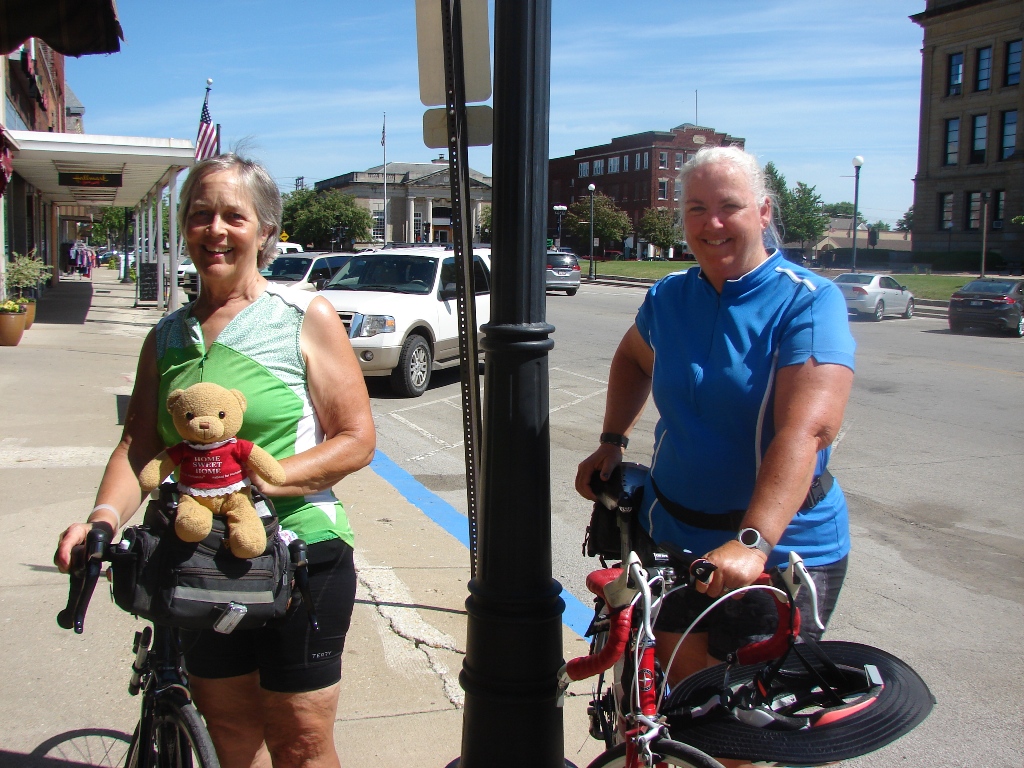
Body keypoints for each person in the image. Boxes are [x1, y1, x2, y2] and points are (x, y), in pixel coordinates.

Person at [55, 154, 376, 768]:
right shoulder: (166, 336)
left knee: (301, 741)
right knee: (229, 733)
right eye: (201, 215)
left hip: (301, 552)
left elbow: (356, 438)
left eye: (234, 215)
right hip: (199, 560)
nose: (216, 230)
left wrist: (265, 477)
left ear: (265, 230)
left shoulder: (302, 317)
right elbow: (138, 445)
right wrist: (101, 519)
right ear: (185, 228)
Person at [575, 145, 855, 767]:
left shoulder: (807, 301)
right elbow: (632, 358)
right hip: (675, 537)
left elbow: (806, 429)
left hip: (777, 551)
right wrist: (612, 439)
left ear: (764, 211)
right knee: (682, 705)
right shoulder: (670, 296)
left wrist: (753, 542)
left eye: (729, 206)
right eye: (696, 209)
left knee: (740, 735)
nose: (713, 223)